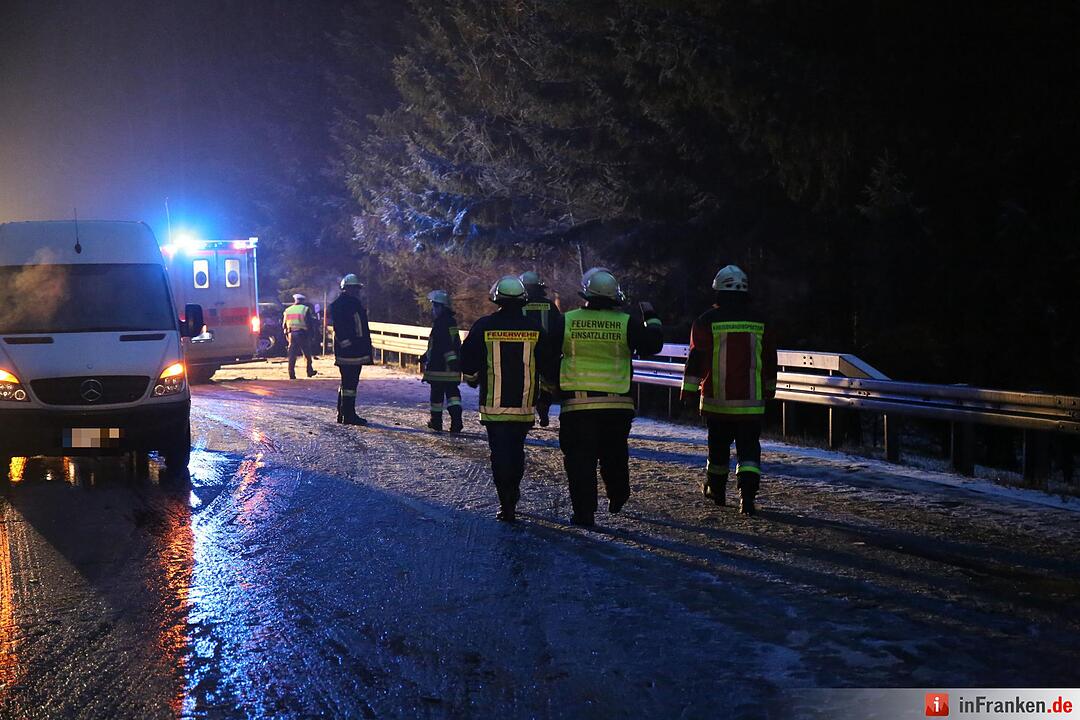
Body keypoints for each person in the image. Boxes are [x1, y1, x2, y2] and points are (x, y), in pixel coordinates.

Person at [549, 268, 663, 527]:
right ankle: (618, 495)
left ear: (586, 294)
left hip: (577, 406)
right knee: (614, 455)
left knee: (580, 461)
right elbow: (652, 345)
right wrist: (652, 318)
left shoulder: (567, 320)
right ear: (614, 296)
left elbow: (546, 353)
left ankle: (584, 514)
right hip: (617, 405)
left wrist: (552, 387)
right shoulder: (626, 322)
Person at [681, 265, 777, 515]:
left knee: (718, 449)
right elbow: (769, 357)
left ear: (718, 291)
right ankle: (747, 497)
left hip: (718, 402)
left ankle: (717, 490)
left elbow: (696, 358)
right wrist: (769, 388)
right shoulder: (761, 320)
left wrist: (688, 392)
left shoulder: (706, 321)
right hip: (751, 403)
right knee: (749, 449)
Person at [460, 276, 550, 521]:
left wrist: (473, 377)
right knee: (516, 450)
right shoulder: (534, 329)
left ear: (496, 298)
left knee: (499, 453)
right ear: (523, 300)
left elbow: (467, 361)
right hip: (523, 406)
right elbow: (548, 364)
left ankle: (505, 501)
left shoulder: (483, 326)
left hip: (494, 406)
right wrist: (545, 396)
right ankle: (513, 492)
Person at [329, 274, 373, 425]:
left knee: (347, 382)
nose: (357, 291)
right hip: (352, 351)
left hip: (349, 350)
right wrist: (349, 344)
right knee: (350, 384)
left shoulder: (342, 304)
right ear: (347, 288)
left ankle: (343, 412)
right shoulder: (350, 304)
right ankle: (348, 415)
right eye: (355, 288)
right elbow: (343, 327)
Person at [520, 270, 562, 427]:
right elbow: (559, 328)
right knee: (547, 382)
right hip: (547, 352)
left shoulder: (517, 305)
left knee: (526, 383)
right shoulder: (550, 306)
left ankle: (528, 414)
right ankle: (544, 406)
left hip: (523, 351)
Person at [421, 290, 463, 432]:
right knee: (453, 396)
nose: (433, 309)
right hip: (451, 369)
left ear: (442, 307)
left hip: (439, 368)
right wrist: (426, 355)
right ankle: (457, 422)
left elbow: (445, 344)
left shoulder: (440, 323)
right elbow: (445, 344)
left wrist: (449, 360)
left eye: (435, 306)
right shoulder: (451, 322)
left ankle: (436, 422)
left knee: (436, 398)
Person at [283, 293, 318, 380]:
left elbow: (284, 325)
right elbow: (309, 323)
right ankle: (309, 371)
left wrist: (287, 334)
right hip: (302, 334)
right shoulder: (305, 309)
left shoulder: (288, 310)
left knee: (292, 355)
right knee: (307, 354)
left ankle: (291, 374)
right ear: (303, 301)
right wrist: (312, 335)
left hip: (291, 334)